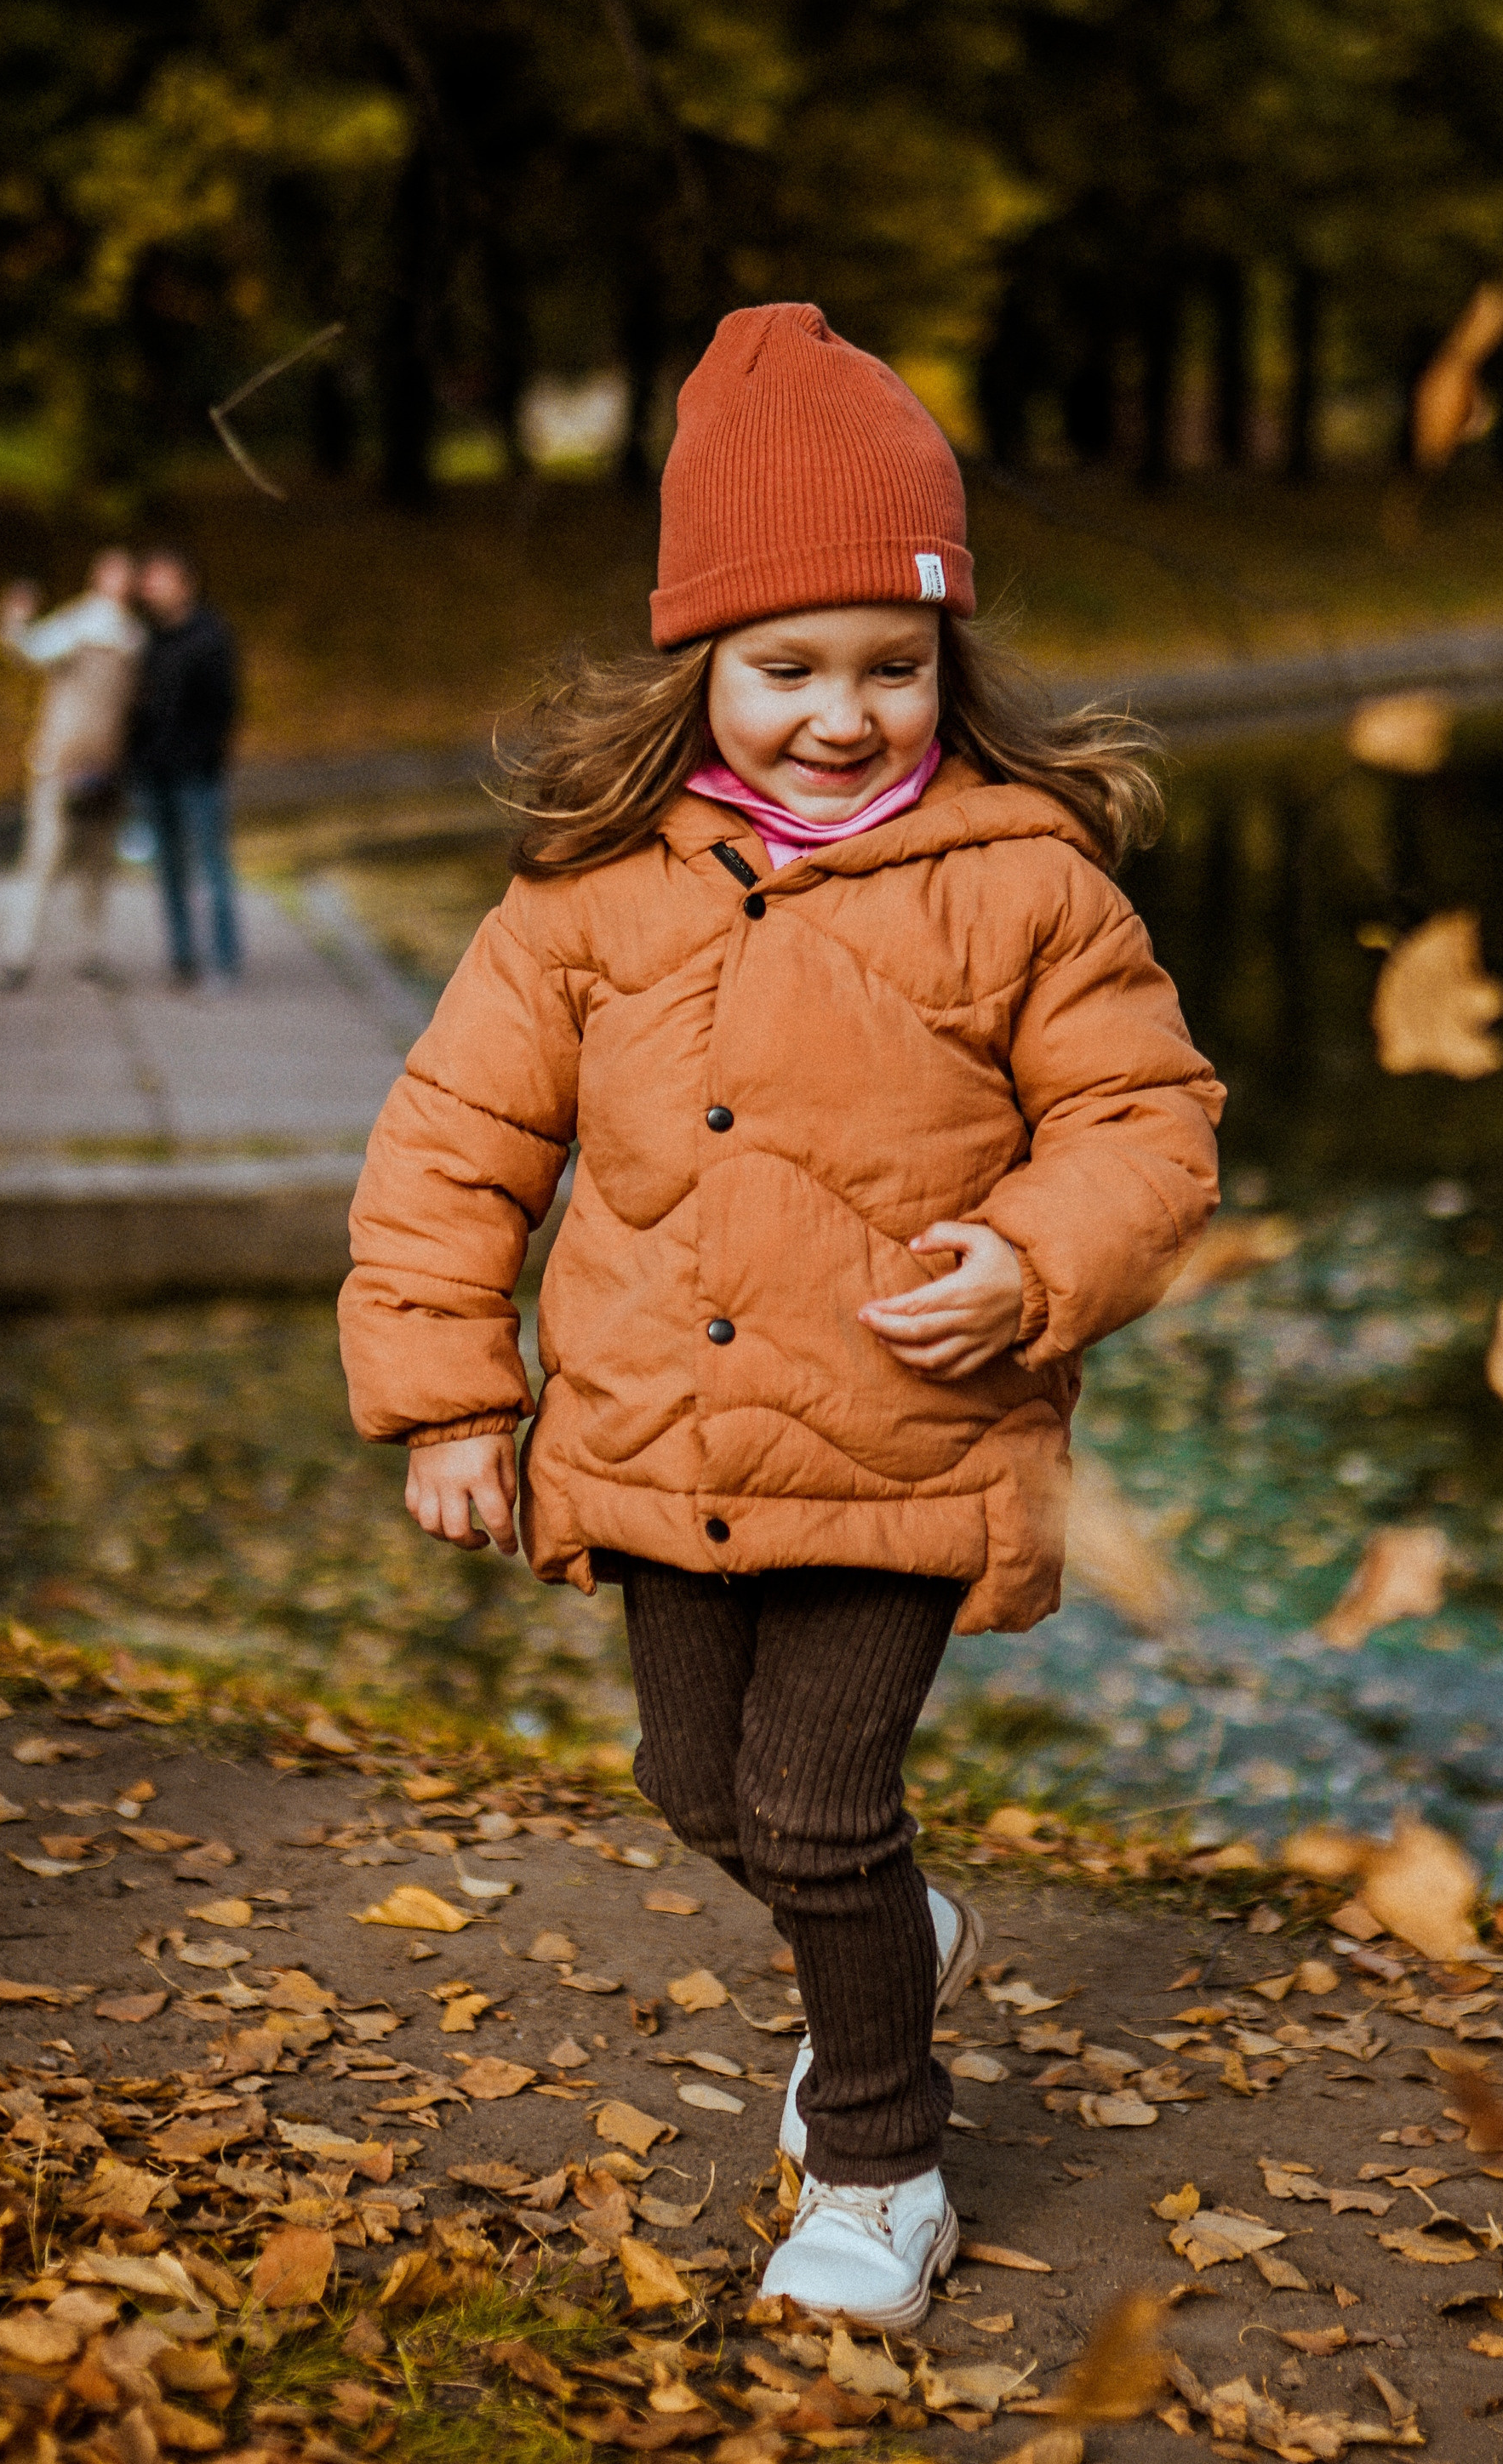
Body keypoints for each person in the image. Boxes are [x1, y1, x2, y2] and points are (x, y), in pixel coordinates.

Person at [338, 302, 1226, 2326]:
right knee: (697, 1789)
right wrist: (453, 1402)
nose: (842, 712)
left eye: (891, 667)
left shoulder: (1024, 884)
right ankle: (892, 1933)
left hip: (910, 1436)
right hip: (655, 1435)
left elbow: (1143, 1119)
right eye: (789, 667)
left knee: (815, 1805)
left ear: (949, 664)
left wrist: (1030, 1253)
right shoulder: (587, 897)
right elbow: (454, 1139)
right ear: (700, 670)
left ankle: (881, 2164)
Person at [0, 547, 145, 992]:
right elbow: (27, 650)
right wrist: (13, 619)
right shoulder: (78, 624)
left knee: (98, 866)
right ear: (97, 575)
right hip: (61, 765)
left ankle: (91, 954)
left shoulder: (134, 636)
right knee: (43, 858)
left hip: (108, 770)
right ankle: (16, 954)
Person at [127, 547, 243, 986]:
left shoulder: (211, 636)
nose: (150, 585)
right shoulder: (146, 638)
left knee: (212, 867)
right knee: (169, 868)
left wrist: (202, 755)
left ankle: (223, 961)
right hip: (152, 772)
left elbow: (224, 708)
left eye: (160, 576)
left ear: (186, 583)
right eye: (148, 577)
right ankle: (182, 958)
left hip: (197, 774)